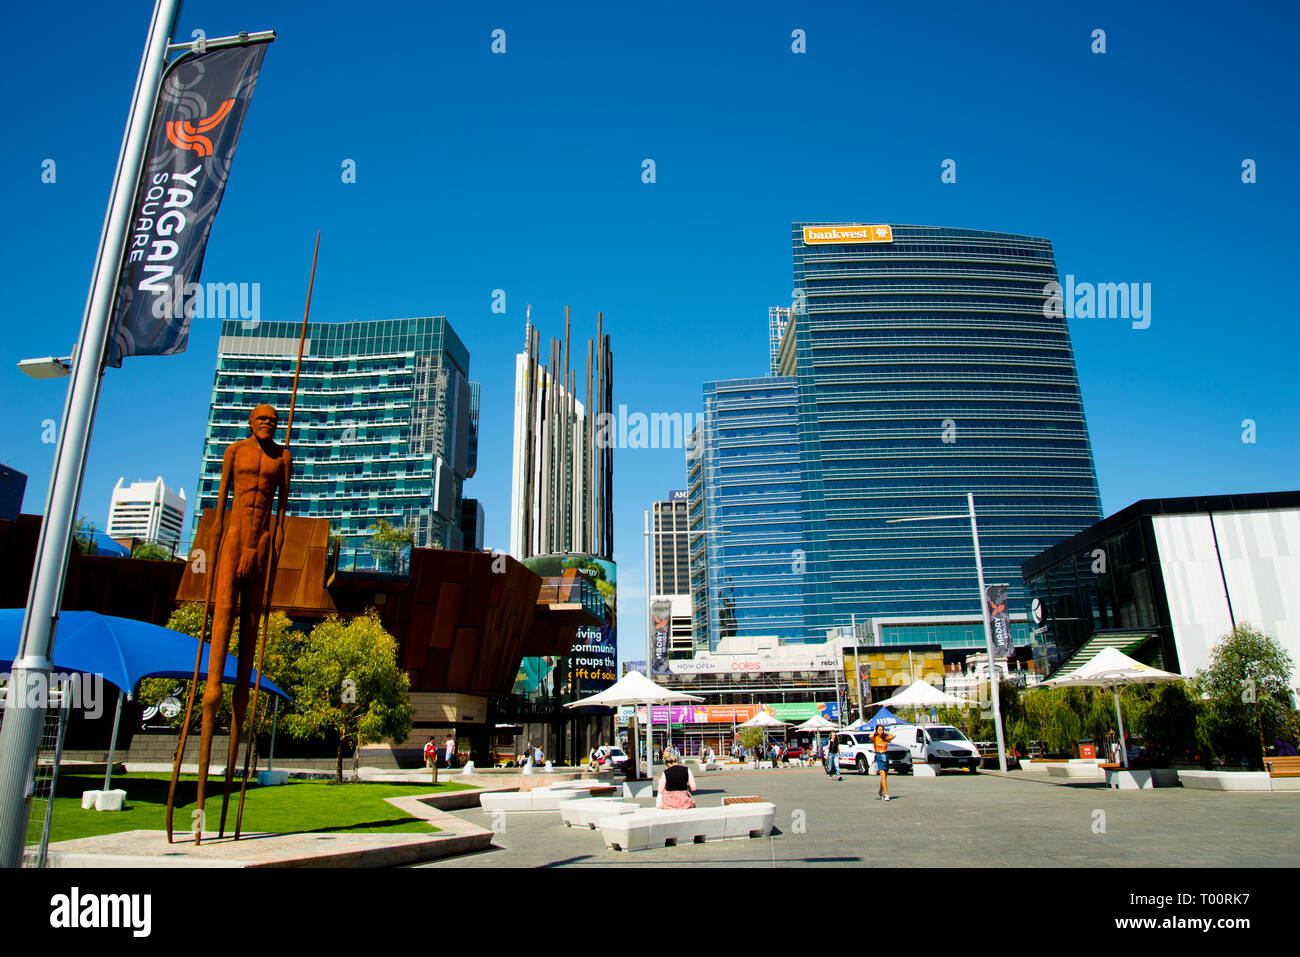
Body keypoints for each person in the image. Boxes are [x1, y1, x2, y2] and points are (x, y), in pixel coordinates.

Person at [871, 723, 894, 800]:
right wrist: (875, 732)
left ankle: (880, 791)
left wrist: (886, 732)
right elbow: (870, 736)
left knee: (885, 776)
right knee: (883, 776)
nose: (881, 731)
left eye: (882, 730)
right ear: (877, 731)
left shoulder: (885, 738)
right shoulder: (875, 738)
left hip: (885, 755)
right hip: (879, 756)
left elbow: (893, 736)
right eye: (879, 730)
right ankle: (886, 794)